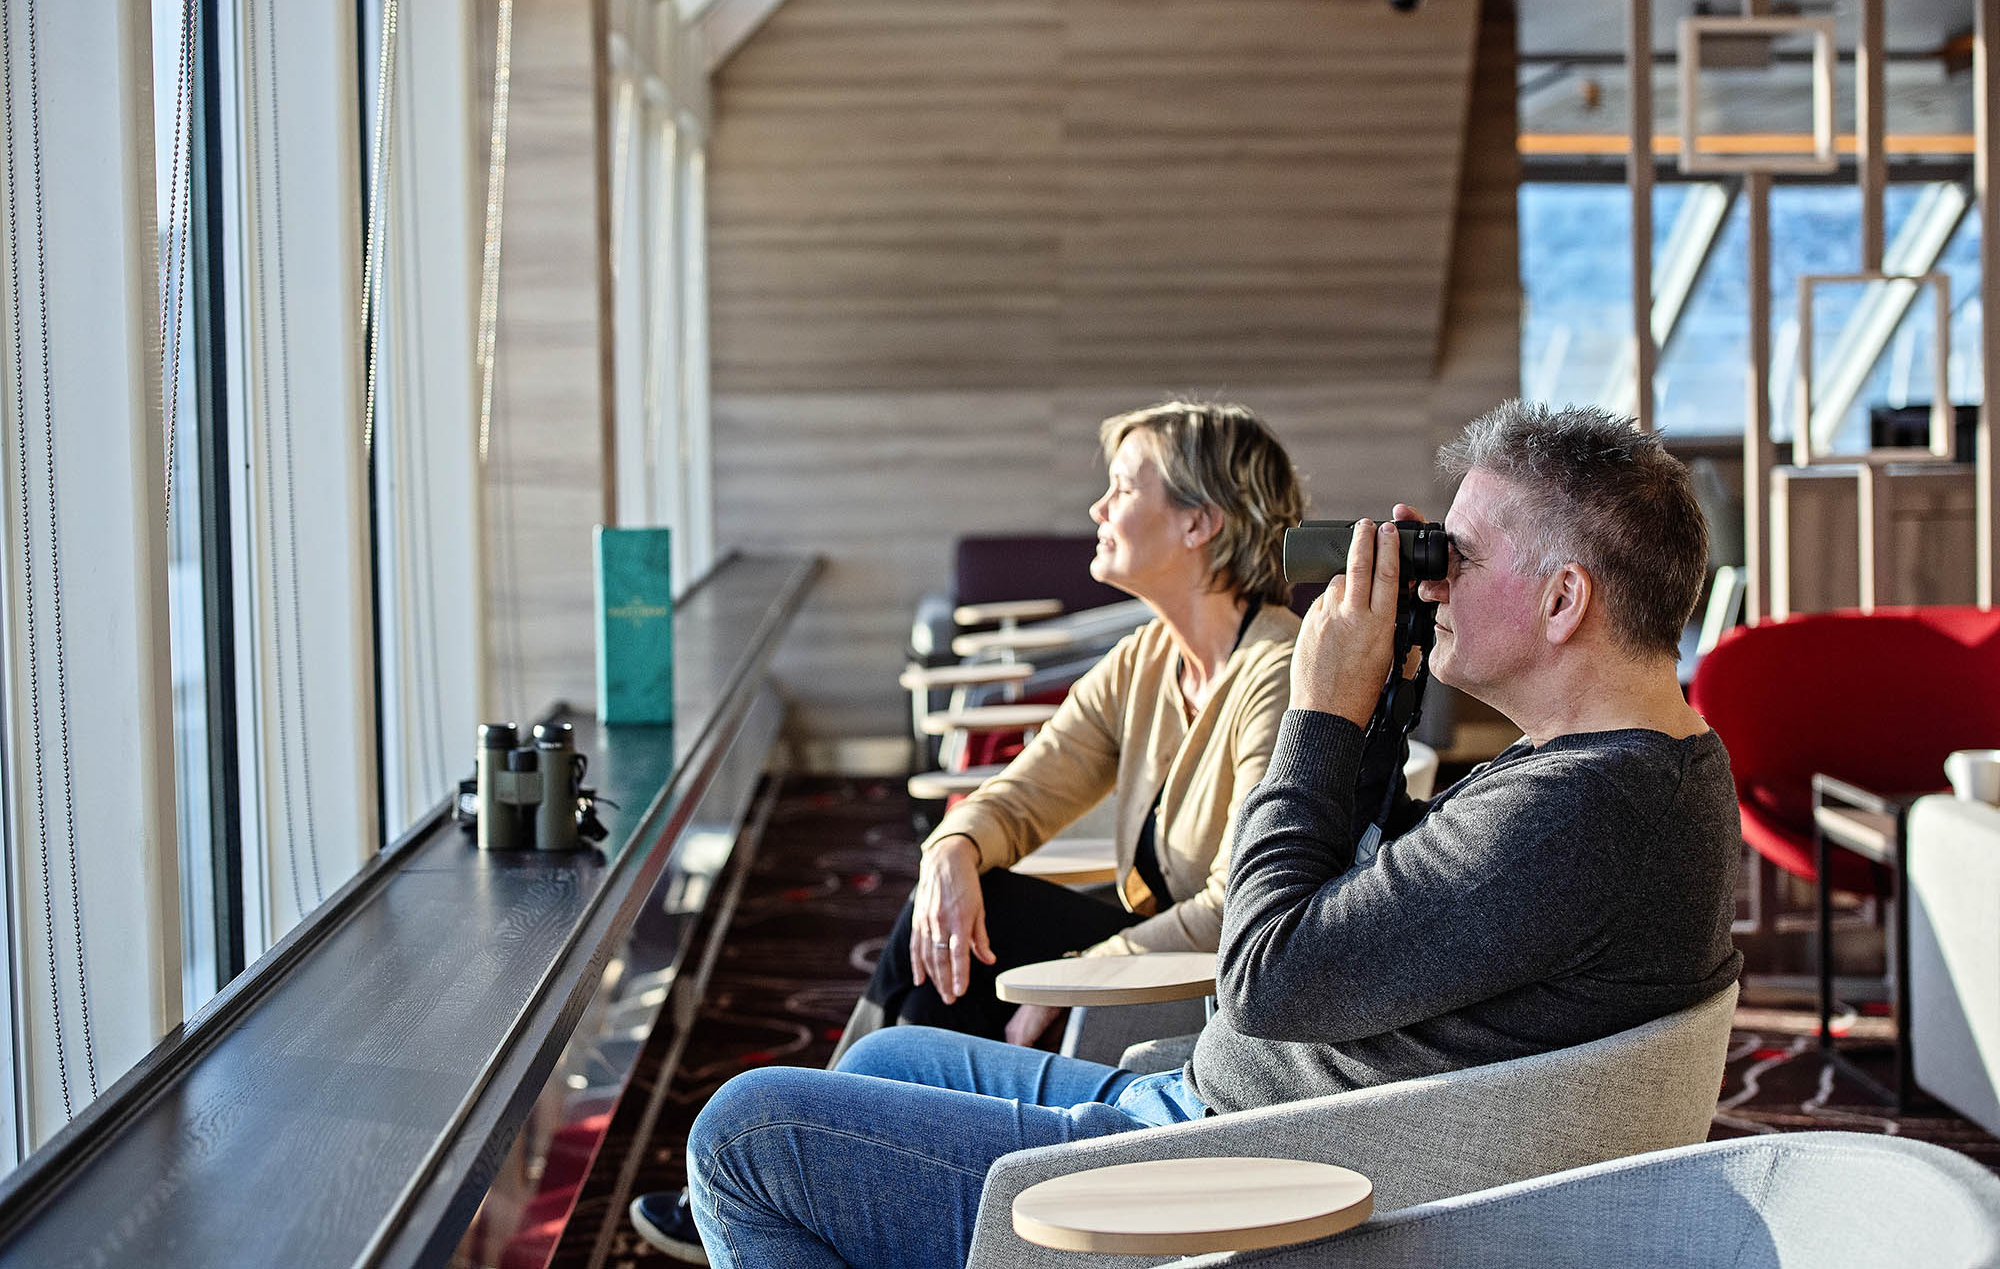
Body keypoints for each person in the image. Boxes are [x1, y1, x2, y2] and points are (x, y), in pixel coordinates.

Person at [673, 402, 1743, 1269]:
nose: (1426, 581)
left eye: (1454, 558)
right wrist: (1377, 710)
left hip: (1221, 1164)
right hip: (1221, 1102)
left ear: (1563, 600)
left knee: (743, 1134)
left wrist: (1321, 712)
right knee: (891, 1052)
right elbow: (1381, 889)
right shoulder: (1632, 771)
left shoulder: (1579, 813)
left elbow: (1266, 974)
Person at [630, 398, 1306, 1262]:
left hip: (1209, 973)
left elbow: (1243, 907)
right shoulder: (1151, 657)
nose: (1098, 510)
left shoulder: (1275, 671)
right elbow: (1022, 793)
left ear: (1199, 523)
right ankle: (843, 1164)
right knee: (963, 903)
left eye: (1122, 487)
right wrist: (950, 850)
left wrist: (1077, 974)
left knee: (970, 943)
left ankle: (830, 1172)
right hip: (1153, 934)